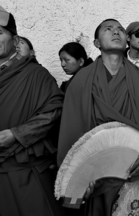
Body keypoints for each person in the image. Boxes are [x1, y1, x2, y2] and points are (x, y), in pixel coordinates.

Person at [57, 18, 139, 216]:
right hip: (96, 174)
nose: (116, 32)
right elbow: (70, 133)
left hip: (136, 171)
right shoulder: (81, 81)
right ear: (97, 43)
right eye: (108, 29)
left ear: (126, 40)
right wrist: (76, 176)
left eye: (120, 29)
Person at [0, 6, 65, 216]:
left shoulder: (35, 74)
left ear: (16, 40)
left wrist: (17, 134)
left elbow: (55, 110)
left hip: (23, 171)